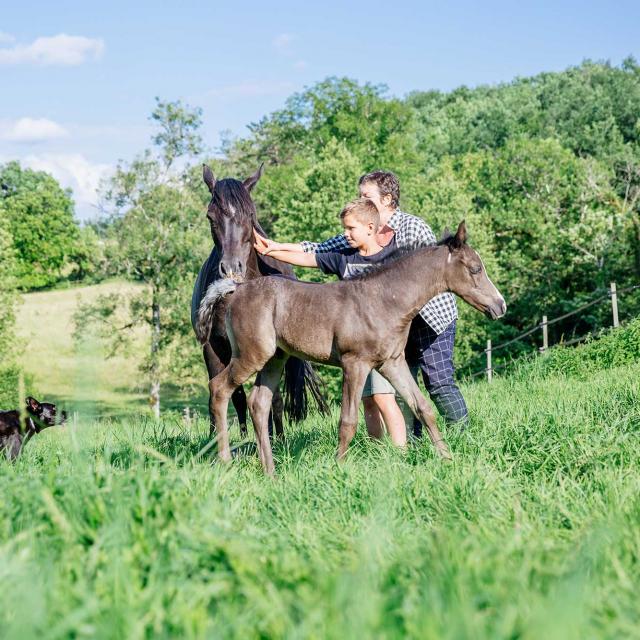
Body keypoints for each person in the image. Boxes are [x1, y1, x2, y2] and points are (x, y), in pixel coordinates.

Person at [299, 170, 468, 433]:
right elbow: (320, 249)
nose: (360, 199)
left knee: (439, 383)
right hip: (394, 323)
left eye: (366, 195)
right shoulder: (365, 227)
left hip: (431, 319)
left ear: (387, 199)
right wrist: (271, 247)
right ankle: (415, 448)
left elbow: (432, 275)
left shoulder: (413, 227)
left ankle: (463, 437)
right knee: (403, 388)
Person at [254, 198, 407, 447]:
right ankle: (378, 450)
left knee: (383, 397)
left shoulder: (390, 260)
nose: (345, 234)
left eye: (350, 229)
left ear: (370, 227)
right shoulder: (344, 260)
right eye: (344, 229)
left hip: (380, 343)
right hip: (355, 347)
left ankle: (401, 451)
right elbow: (308, 258)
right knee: (368, 399)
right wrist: (269, 251)